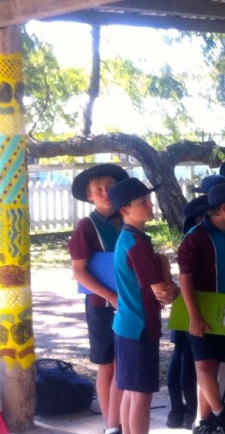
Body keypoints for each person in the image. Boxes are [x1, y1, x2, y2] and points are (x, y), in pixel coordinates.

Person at [108, 178, 179, 434]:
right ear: (124, 210)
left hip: (127, 324)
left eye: (149, 200)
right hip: (139, 326)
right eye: (142, 202)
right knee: (141, 394)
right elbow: (163, 294)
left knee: (131, 392)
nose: (150, 205)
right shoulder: (136, 244)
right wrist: (169, 275)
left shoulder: (129, 238)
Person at [177, 183, 225, 434]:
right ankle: (221, 414)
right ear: (224, 208)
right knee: (204, 366)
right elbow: (184, 278)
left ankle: (205, 419)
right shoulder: (196, 237)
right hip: (202, 310)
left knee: (215, 366)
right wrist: (194, 317)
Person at [68, 163, 128, 434]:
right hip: (101, 305)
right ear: (90, 196)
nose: (105, 193)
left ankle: (125, 418)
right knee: (107, 364)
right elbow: (79, 272)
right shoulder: (86, 227)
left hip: (131, 303)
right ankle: (110, 424)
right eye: (98, 190)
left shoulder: (129, 219)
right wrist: (111, 296)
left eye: (111, 188)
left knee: (126, 363)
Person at [166, 196, 208, 429]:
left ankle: (176, 411)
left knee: (179, 356)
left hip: (184, 300)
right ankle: (190, 411)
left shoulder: (192, 236)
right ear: (199, 217)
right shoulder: (198, 236)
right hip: (194, 300)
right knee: (187, 361)